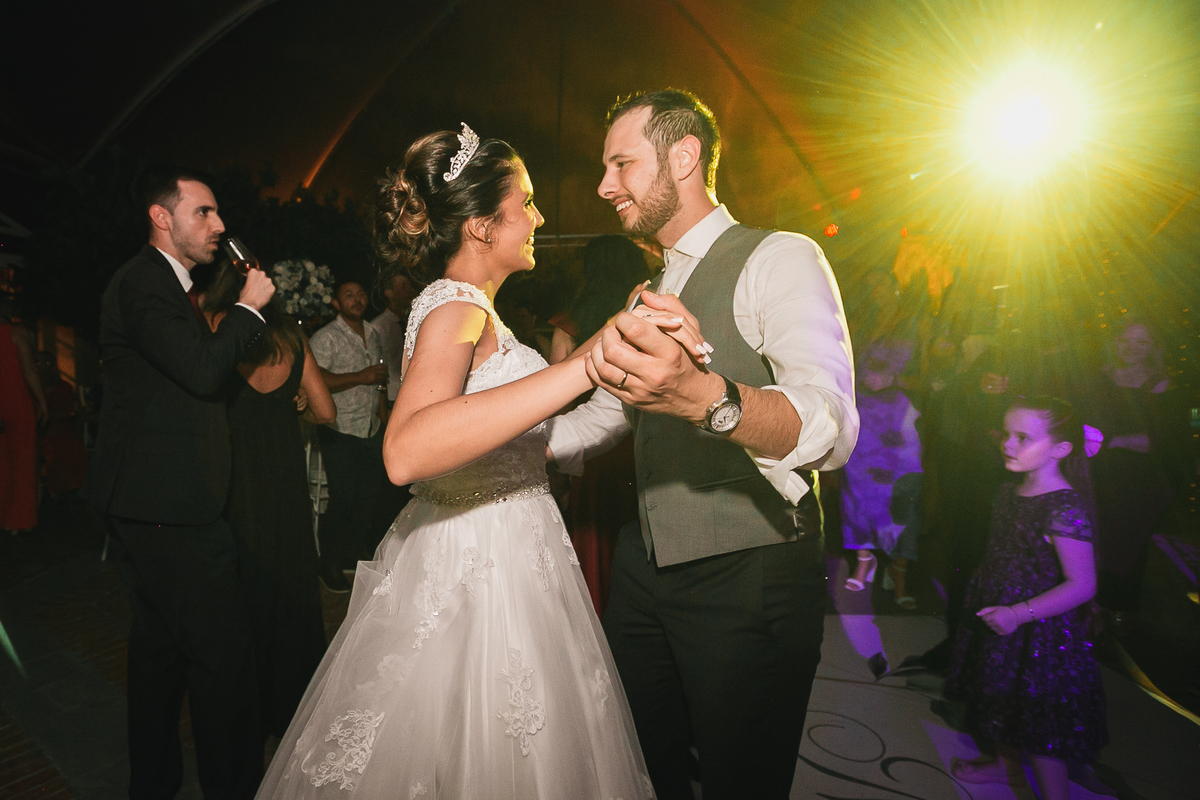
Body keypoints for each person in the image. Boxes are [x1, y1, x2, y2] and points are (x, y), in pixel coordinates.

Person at [257, 126, 666, 799]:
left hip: (509, 545)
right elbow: (407, 449)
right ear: (480, 225)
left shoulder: (477, 314)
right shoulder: (456, 307)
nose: (538, 217)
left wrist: (635, 383)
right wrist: (589, 358)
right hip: (483, 564)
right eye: (526, 203)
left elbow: (541, 440)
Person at [548, 89, 858, 800]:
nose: (603, 186)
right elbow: (603, 419)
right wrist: (503, 451)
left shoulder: (779, 258)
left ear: (683, 157)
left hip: (748, 572)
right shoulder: (645, 289)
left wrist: (708, 399)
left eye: (621, 164)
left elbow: (832, 424)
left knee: (739, 778)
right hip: (644, 568)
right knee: (634, 763)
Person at [83, 165, 275, 800]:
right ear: (161, 219)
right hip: (169, 508)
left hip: (154, 503)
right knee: (223, 660)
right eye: (204, 213)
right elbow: (199, 372)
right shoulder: (144, 284)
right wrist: (248, 310)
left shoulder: (168, 286)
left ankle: (155, 786)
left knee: (161, 658)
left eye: (219, 214)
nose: (219, 225)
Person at [200, 261, 336, 745]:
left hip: (234, 485)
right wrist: (294, 400)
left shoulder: (217, 327)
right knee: (292, 592)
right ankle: (296, 710)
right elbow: (325, 410)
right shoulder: (293, 340)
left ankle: (245, 716)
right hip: (285, 485)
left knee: (242, 594)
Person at [945, 396, 1106, 800]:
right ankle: (1005, 765)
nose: (1008, 444)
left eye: (1023, 437)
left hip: (1040, 632)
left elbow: (1082, 584)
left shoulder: (1063, 507)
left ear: (1060, 449)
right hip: (1001, 617)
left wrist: (1019, 613)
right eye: (1006, 433)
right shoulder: (1008, 491)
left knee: (1039, 729)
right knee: (1000, 701)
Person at [547, 234, 653, 613]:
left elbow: (557, 388)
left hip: (589, 446)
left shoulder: (570, 322)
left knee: (594, 539)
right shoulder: (644, 316)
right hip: (635, 446)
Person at [1086, 320, 1188, 634]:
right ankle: (1087, 603)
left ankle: (1115, 609)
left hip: (1135, 478)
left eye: (1140, 342)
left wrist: (1109, 442)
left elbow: (1160, 439)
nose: (1131, 348)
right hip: (1094, 469)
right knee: (1090, 536)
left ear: (1153, 348)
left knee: (1122, 543)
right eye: (1124, 339)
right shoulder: (1099, 376)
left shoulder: (1161, 384)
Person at [309, 279, 389, 591]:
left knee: (367, 497)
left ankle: (353, 557)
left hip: (369, 426)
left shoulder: (374, 333)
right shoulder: (325, 337)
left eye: (360, 293)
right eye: (348, 295)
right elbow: (315, 379)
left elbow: (379, 381)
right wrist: (361, 376)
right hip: (339, 427)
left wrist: (384, 420)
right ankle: (327, 563)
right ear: (336, 303)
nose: (356, 299)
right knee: (343, 498)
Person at [841, 339, 922, 609]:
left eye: (876, 370)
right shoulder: (857, 398)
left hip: (893, 475)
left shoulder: (903, 402)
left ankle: (898, 574)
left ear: (893, 372)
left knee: (901, 523)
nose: (868, 376)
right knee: (855, 514)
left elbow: (911, 446)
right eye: (866, 370)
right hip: (859, 472)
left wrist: (899, 471)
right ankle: (865, 562)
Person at [0, 314, 47, 533]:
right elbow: (29, 370)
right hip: (16, 403)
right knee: (22, 463)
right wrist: (41, 401)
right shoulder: (16, 333)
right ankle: (18, 521)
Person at [370, 272, 417, 404]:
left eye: (410, 286)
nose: (410, 291)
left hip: (414, 392)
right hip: (392, 397)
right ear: (389, 294)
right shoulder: (378, 327)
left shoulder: (413, 320)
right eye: (403, 287)